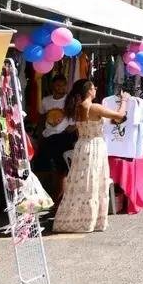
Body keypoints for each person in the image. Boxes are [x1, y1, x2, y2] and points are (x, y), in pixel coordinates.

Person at [52, 80, 129, 234]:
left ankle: (75, 217)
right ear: (88, 91)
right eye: (94, 88)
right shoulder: (95, 107)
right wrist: (124, 100)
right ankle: (91, 219)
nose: (95, 90)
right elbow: (120, 116)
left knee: (80, 182)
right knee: (94, 182)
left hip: (82, 146)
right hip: (95, 146)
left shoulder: (78, 107)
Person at [35, 75, 76, 202]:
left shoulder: (69, 100)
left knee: (61, 168)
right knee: (43, 166)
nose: (61, 88)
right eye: (58, 85)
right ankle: (44, 194)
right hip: (48, 136)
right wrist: (40, 133)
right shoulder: (46, 101)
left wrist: (70, 129)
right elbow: (42, 116)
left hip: (63, 137)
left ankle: (59, 197)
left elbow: (75, 118)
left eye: (63, 85)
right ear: (53, 86)